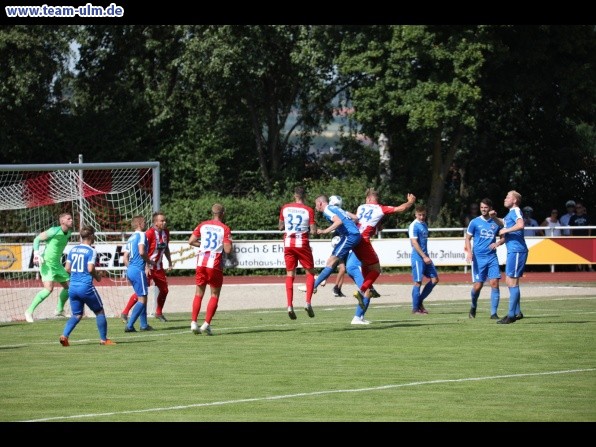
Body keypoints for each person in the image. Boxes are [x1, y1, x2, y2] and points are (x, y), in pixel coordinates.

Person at [350, 188, 416, 324]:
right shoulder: (380, 208)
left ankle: (358, 317)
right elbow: (400, 209)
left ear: (367, 199)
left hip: (354, 241)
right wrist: (410, 202)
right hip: (364, 241)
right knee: (376, 270)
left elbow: (364, 220)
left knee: (369, 280)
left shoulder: (361, 207)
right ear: (375, 199)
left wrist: (377, 225)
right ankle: (361, 291)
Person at [60, 226, 115, 346]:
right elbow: (90, 269)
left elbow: (67, 268)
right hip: (85, 287)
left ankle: (64, 336)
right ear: (91, 236)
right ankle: (104, 339)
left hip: (73, 287)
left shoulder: (73, 249)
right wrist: (97, 276)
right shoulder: (91, 251)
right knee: (99, 311)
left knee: (77, 314)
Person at [188, 203, 233, 335]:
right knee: (214, 294)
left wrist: (203, 245)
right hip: (214, 264)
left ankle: (193, 322)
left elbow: (191, 241)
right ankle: (206, 324)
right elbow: (228, 249)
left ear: (212, 213)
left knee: (198, 293)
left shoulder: (203, 225)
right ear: (223, 214)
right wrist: (231, 242)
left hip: (201, 262)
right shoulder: (225, 228)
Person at [121, 211, 172, 323]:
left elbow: (166, 248)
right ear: (155, 222)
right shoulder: (148, 234)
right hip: (146, 267)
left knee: (164, 290)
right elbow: (143, 251)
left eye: (165, 220)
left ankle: (158, 313)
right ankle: (126, 313)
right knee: (142, 293)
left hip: (158, 267)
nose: (164, 222)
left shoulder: (166, 233)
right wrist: (147, 265)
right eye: (162, 220)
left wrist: (169, 261)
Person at [24, 212, 74, 323]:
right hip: (47, 263)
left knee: (70, 288)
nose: (71, 220)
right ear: (62, 221)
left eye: (71, 218)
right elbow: (37, 239)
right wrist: (36, 254)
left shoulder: (69, 232)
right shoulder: (54, 230)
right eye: (68, 219)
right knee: (48, 289)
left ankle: (59, 310)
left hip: (57, 264)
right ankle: (29, 311)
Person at [278, 186, 318, 319]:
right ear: (304, 196)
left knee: (290, 274)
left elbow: (280, 226)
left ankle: (289, 305)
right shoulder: (308, 210)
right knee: (310, 273)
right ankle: (308, 303)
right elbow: (313, 230)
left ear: (294, 195)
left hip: (288, 243)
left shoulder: (285, 207)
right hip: (302, 244)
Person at [490, 190, 527, 324]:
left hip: (517, 250)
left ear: (515, 200)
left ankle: (511, 315)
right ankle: (517, 312)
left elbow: (520, 225)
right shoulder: (510, 213)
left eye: (508, 197)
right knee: (510, 281)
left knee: (512, 281)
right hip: (513, 250)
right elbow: (504, 222)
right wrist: (494, 217)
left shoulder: (516, 210)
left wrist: (506, 230)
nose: (505, 198)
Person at [464, 198, 502, 320]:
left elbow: (504, 236)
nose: (483, 209)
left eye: (486, 207)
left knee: (494, 283)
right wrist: (469, 253)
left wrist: (498, 243)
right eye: (482, 207)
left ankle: (493, 313)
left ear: (490, 208)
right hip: (478, 258)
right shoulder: (474, 222)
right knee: (478, 286)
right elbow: (467, 238)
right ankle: (473, 306)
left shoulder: (496, 222)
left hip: (492, 257)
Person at [123, 215, 154, 333]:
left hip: (130, 270)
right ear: (140, 224)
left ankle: (144, 325)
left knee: (141, 296)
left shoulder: (130, 237)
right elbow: (141, 252)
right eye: (145, 222)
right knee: (142, 299)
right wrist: (149, 261)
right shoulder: (141, 235)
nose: (146, 223)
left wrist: (131, 268)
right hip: (137, 270)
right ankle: (130, 325)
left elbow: (125, 258)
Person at [409, 204, 439, 314]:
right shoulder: (414, 225)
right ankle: (415, 308)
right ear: (415, 214)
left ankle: (419, 301)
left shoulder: (424, 224)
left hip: (425, 256)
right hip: (418, 257)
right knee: (418, 282)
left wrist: (426, 256)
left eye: (423, 215)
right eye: (420, 215)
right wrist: (424, 256)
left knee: (435, 279)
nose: (422, 217)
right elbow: (414, 242)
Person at [569, 202, 593, 271]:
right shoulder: (573, 217)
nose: (578, 209)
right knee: (578, 253)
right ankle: (579, 269)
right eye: (577, 208)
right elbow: (571, 229)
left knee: (587, 253)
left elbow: (589, 227)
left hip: (585, 237)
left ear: (582, 208)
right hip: (576, 238)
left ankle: (589, 268)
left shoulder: (587, 216)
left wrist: (589, 236)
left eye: (579, 207)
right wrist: (571, 237)